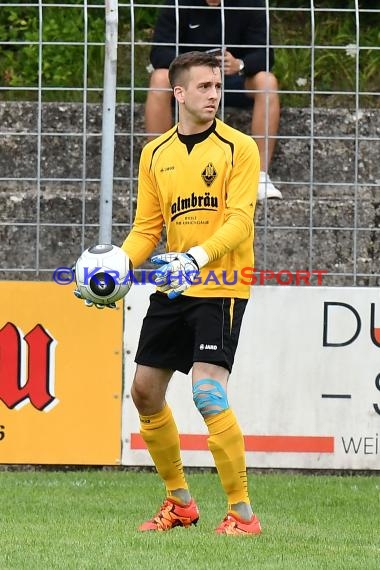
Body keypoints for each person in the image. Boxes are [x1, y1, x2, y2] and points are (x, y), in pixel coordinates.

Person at [119, 50, 261, 535]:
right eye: (204, 87)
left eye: (218, 87)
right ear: (178, 93)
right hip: (174, 286)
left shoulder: (239, 147)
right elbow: (145, 229)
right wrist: (117, 266)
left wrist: (196, 257)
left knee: (206, 391)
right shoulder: (155, 153)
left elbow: (241, 220)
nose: (215, 96)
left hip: (222, 285)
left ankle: (242, 514)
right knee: (144, 391)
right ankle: (180, 502)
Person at [145, 0, 282, 201]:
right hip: (190, 81)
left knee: (267, 82)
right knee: (159, 78)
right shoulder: (178, 3)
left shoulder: (251, 3)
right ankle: (161, 172)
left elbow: (266, 55)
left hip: (234, 80)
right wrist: (191, 66)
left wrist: (240, 64)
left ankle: (259, 177)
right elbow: (158, 52)